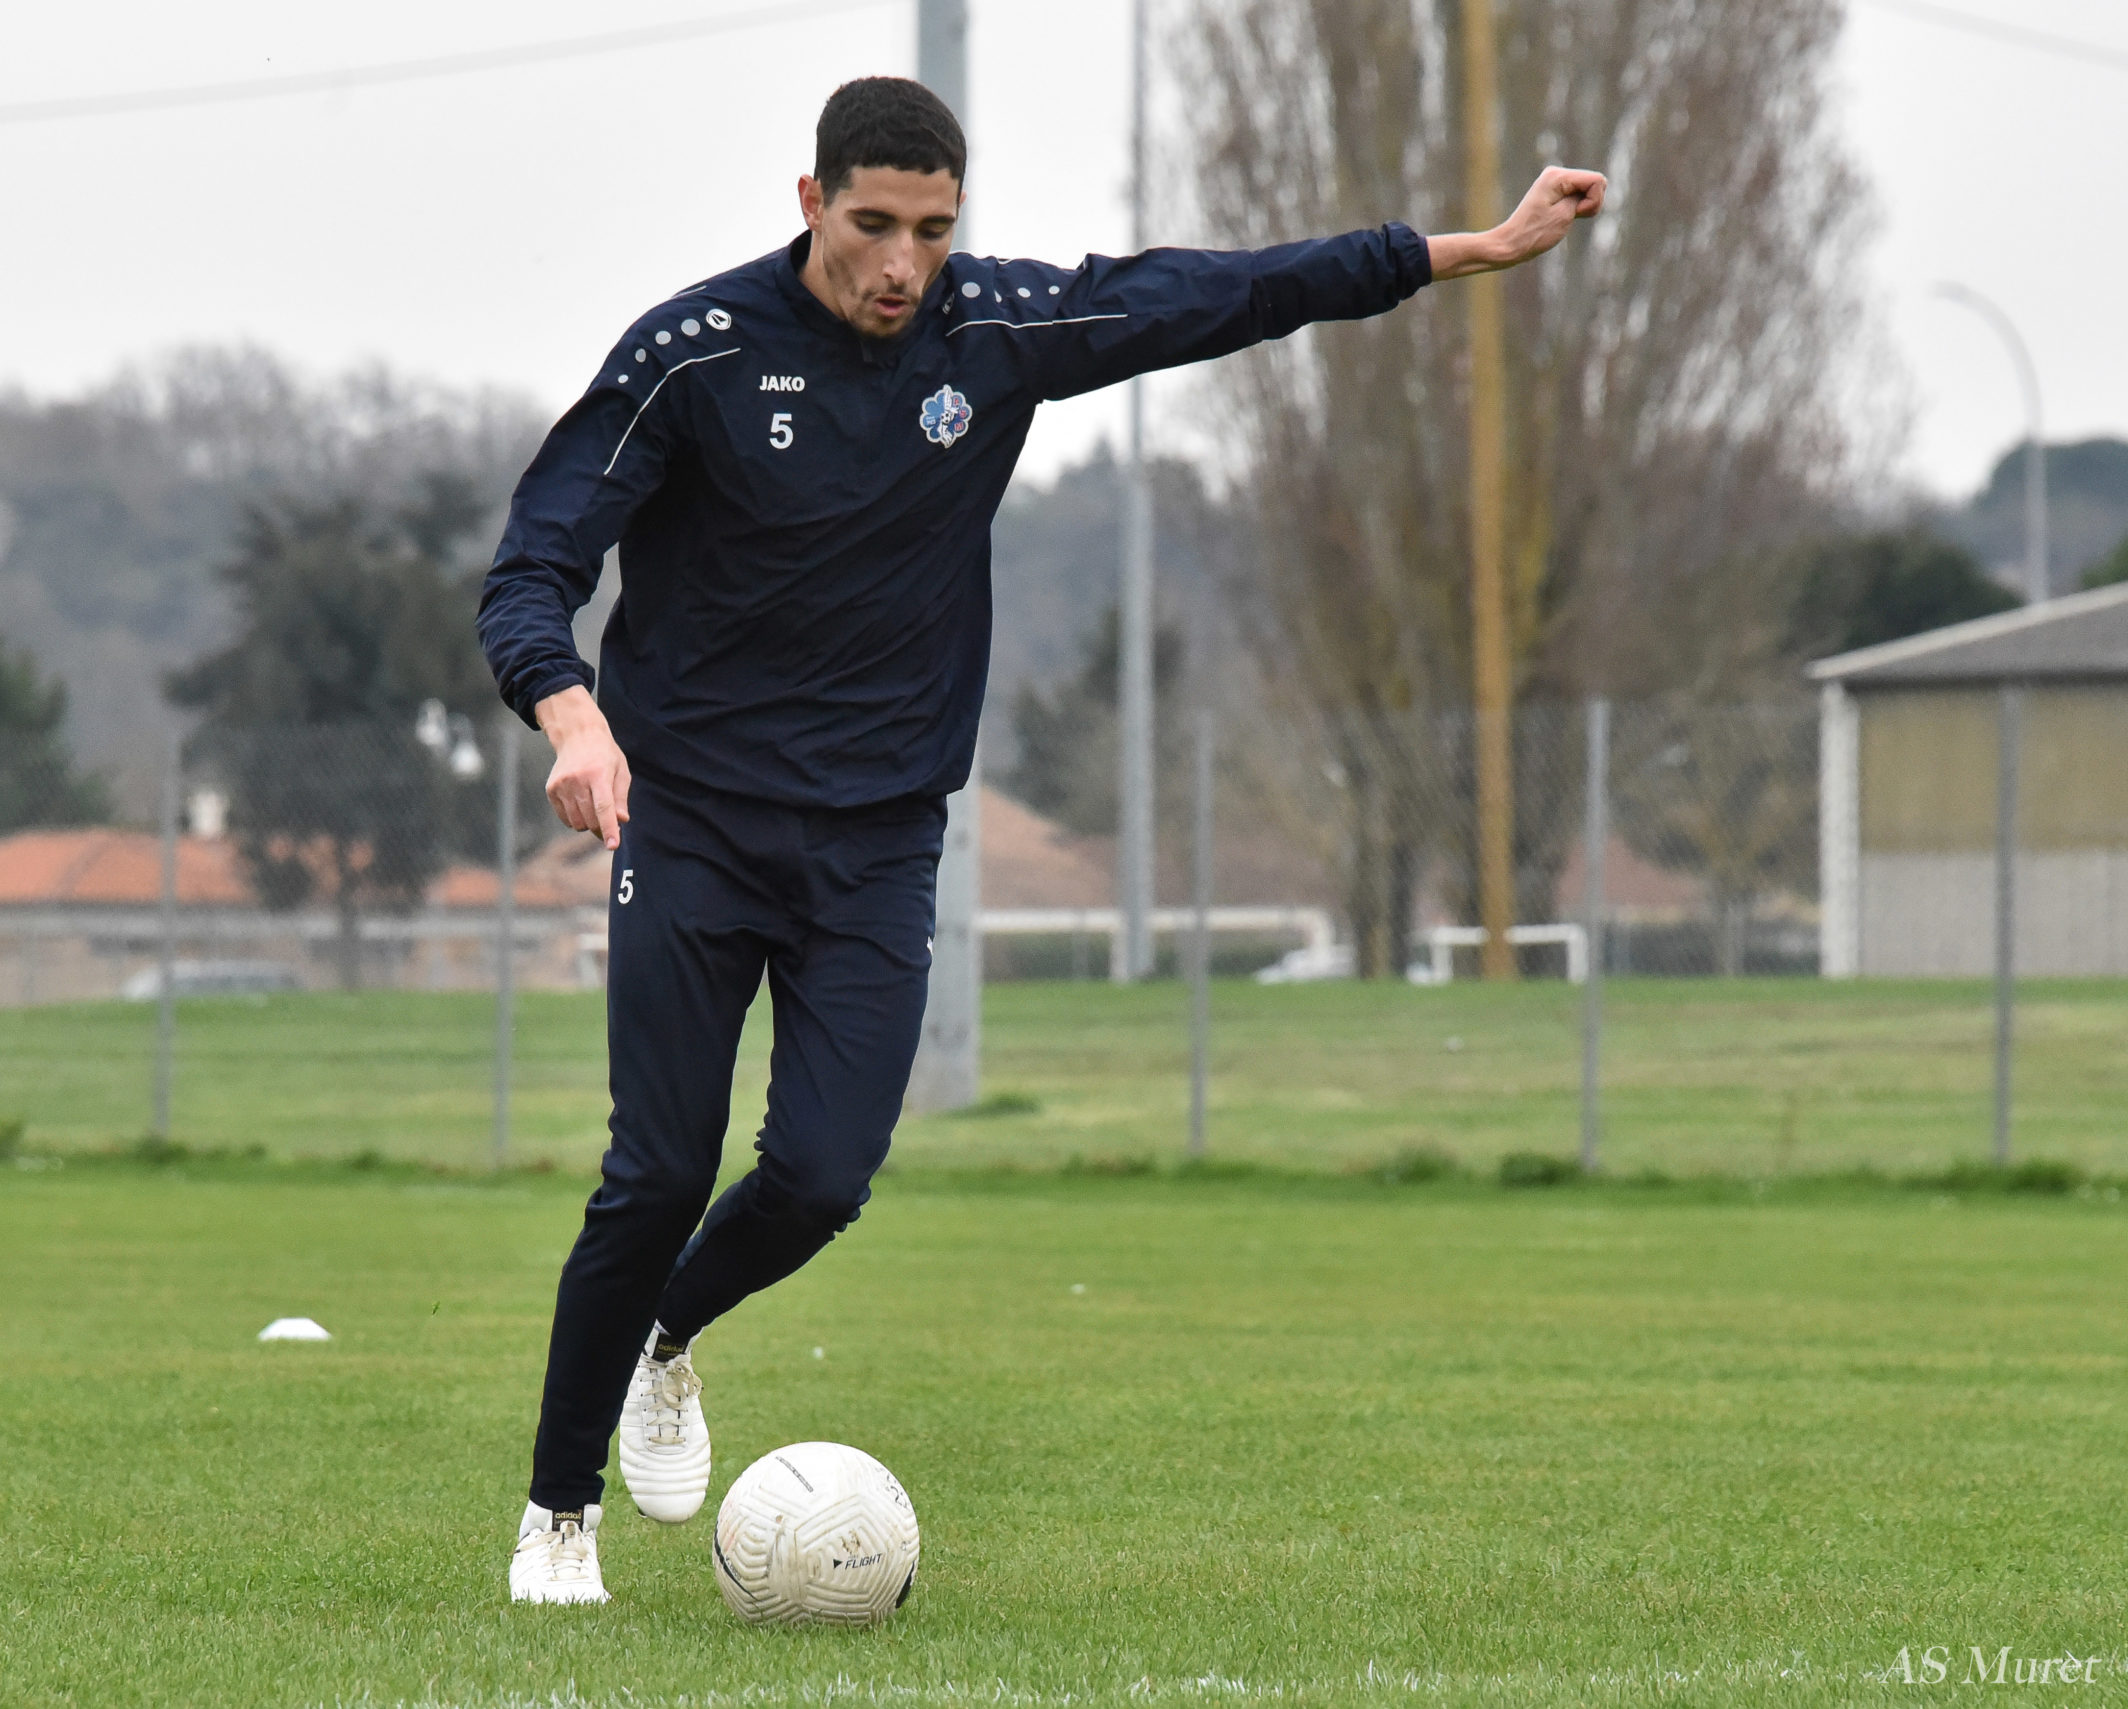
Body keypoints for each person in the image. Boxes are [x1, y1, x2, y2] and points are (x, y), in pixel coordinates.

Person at [478, 74, 1604, 1605]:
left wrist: (1463, 250)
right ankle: (559, 1514)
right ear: (810, 204)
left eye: (934, 230)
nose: (903, 264)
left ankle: (663, 1338)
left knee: (819, 1177)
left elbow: (1220, 292)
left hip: (879, 842)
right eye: (873, 225)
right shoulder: (697, 353)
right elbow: (532, 566)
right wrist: (573, 717)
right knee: (659, 1165)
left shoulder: (990, 331)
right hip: (691, 825)